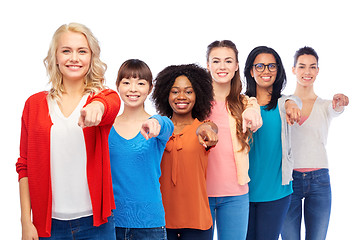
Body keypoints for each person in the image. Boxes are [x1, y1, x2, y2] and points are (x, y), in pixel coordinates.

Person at [16, 23, 120, 239]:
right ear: (55, 57)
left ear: (91, 57)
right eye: (66, 51)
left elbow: (111, 103)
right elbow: (24, 165)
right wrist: (26, 221)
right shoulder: (34, 105)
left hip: (96, 224)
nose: (74, 58)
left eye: (82, 51)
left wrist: (97, 106)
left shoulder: (101, 98)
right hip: (48, 225)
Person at [281, 47, 349, 240]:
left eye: (312, 67)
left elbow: (338, 109)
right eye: (302, 66)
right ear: (293, 69)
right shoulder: (283, 103)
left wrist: (341, 101)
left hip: (319, 181)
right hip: (289, 180)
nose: (307, 72)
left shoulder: (326, 105)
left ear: (318, 70)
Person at [108, 59, 174, 240]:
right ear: (118, 86)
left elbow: (168, 126)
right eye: (126, 82)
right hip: (111, 223)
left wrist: (156, 122)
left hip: (149, 224)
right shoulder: (107, 126)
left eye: (141, 83)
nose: (133, 89)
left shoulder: (157, 125)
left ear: (150, 88)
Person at [152, 64, 218, 240]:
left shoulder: (203, 128)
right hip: (160, 222)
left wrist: (209, 132)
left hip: (197, 221)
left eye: (188, 91)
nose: (181, 96)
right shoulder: (157, 129)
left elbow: (209, 128)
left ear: (198, 95)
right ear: (166, 94)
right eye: (175, 91)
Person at [205, 40, 263, 240]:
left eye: (228, 61)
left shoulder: (245, 102)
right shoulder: (196, 104)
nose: (222, 66)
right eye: (216, 61)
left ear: (236, 66)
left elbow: (254, 109)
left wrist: (253, 114)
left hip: (235, 195)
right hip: (200, 194)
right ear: (208, 65)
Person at [244, 46, 302, 240]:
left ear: (278, 71)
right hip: (242, 192)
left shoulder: (284, 103)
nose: (266, 71)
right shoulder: (240, 103)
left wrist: (292, 105)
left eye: (271, 66)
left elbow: (294, 102)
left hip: (276, 192)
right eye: (259, 66)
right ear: (251, 71)